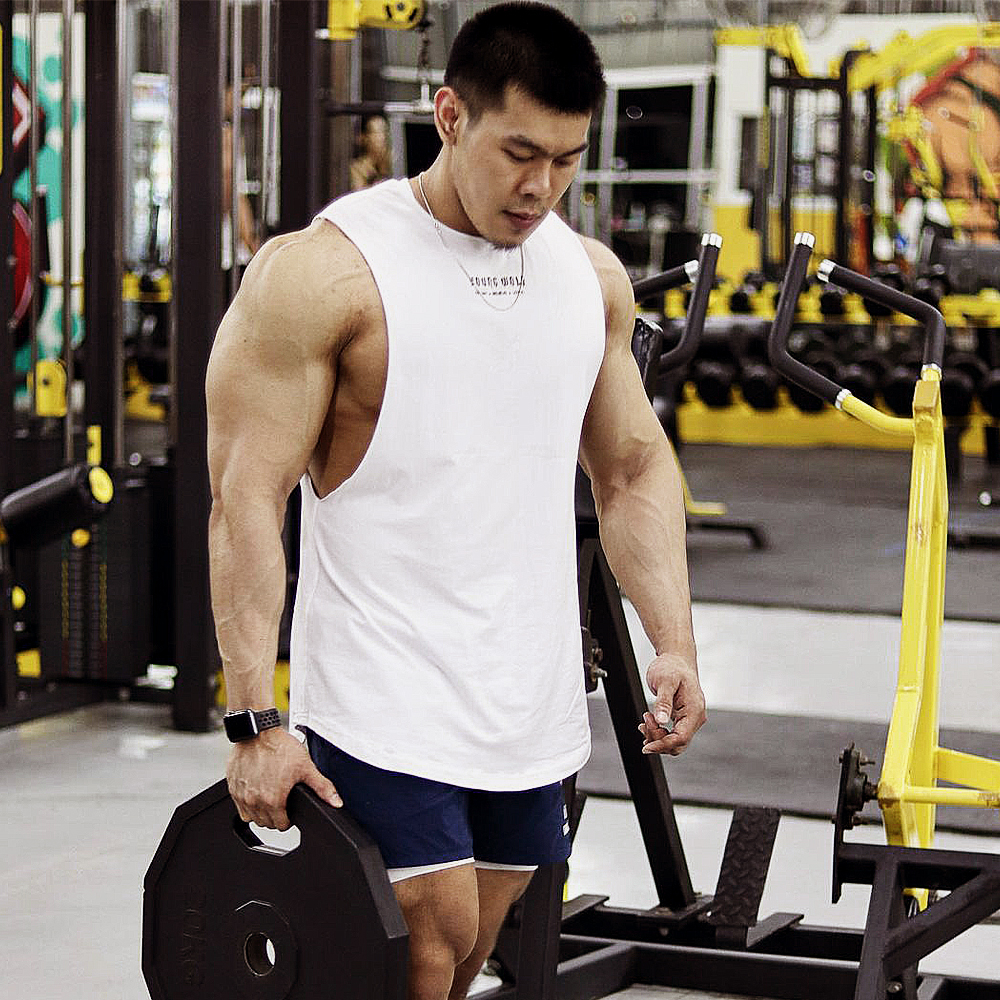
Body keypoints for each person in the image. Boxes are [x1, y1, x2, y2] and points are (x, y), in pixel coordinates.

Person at [206, 5, 705, 1000]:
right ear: (449, 116)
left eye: (566, 160)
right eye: (519, 153)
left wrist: (675, 642)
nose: (541, 187)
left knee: (478, 936)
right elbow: (245, 498)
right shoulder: (327, 273)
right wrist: (253, 715)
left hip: (527, 692)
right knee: (423, 943)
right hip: (382, 685)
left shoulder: (588, 279)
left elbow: (632, 470)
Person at [350, 113, 393, 190]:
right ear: (363, 137)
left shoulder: (387, 165)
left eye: (385, 131)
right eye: (377, 132)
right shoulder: (356, 169)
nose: (382, 137)